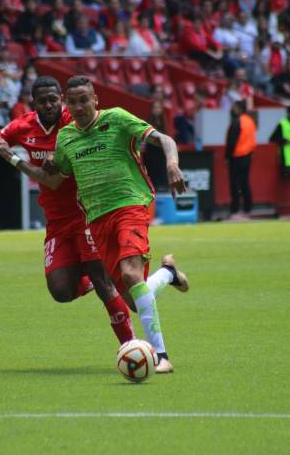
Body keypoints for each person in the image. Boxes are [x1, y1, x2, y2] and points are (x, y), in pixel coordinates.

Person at [0, 76, 183, 368]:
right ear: (33, 103)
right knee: (62, 290)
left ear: (66, 99)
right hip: (58, 220)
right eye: (42, 101)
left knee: (112, 280)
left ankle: (135, 350)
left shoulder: (82, 118)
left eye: (55, 99)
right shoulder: (33, 129)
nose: (51, 105)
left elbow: (150, 138)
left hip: (91, 212)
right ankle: (165, 274)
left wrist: (171, 164)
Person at [28, 75, 188, 373]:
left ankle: (162, 356)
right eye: (72, 102)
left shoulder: (116, 119)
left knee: (129, 275)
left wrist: (172, 164)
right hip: (96, 219)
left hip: (131, 206)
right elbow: (54, 179)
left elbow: (165, 139)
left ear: (95, 100)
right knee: (134, 297)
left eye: (83, 100)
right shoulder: (65, 137)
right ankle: (168, 273)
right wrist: (20, 162)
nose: (78, 107)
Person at [225, 100, 256, 219]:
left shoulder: (237, 122)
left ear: (239, 109)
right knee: (245, 183)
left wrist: (227, 156)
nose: (232, 110)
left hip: (236, 156)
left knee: (235, 184)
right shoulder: (249, 121)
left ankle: (235, 210)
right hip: (247, 155)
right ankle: (248, 208)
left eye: (234, 108)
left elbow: (231, 142)